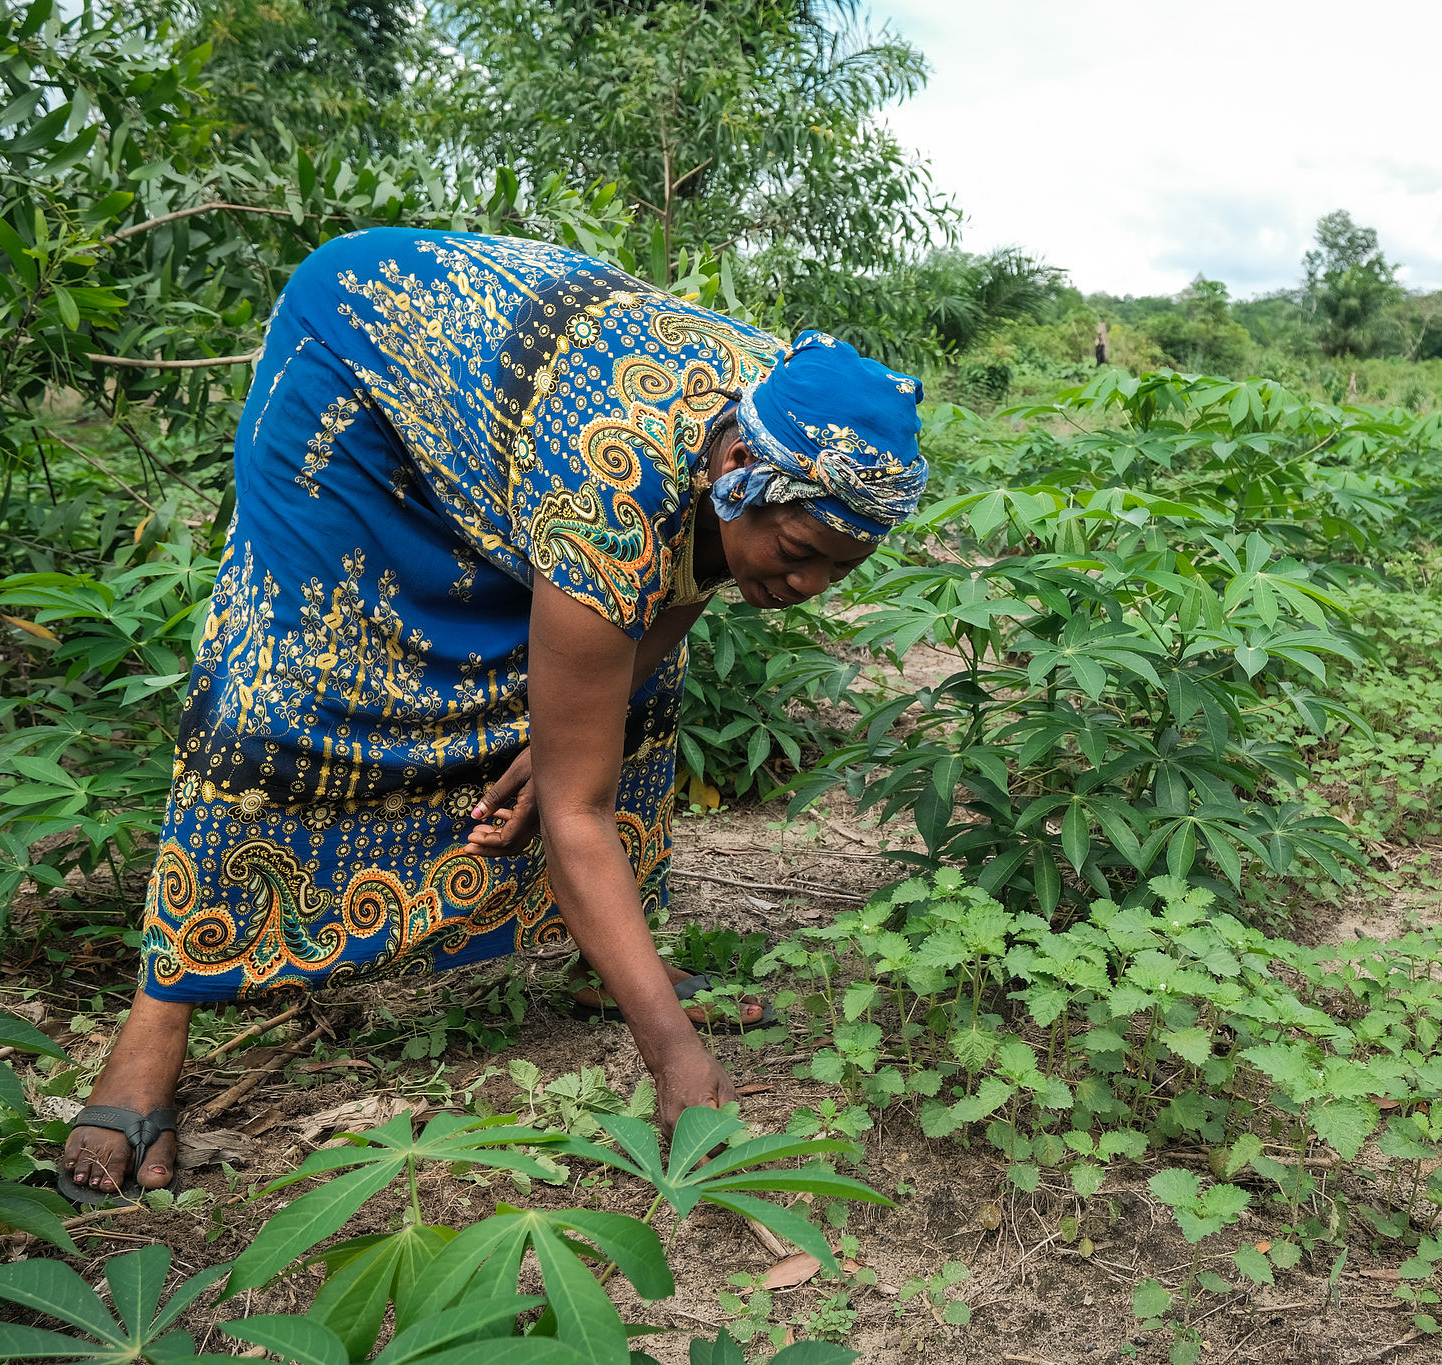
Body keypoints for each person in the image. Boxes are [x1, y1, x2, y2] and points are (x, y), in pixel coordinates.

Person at [58, 228, 928, 1202]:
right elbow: (578, 805)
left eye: (837, 570)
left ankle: (611, 958)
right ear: (733, 467)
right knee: (286, 689)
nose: (806, 584)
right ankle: (156, 1018)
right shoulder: (610, 492)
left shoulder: (779, 418)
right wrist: (676, 1061)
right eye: (799, 548)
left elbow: (678, 573)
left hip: (528, 425)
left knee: (622, 696)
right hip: (351, 361)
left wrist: (563, 745)